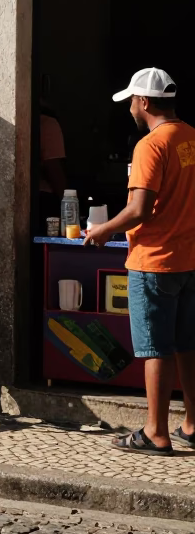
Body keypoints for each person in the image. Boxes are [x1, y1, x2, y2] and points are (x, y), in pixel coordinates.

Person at [85, 67, 195, 455]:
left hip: (154, 261)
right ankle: (192, 424)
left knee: (154, 348)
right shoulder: (190, 137)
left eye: (132, 100)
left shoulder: (150, 145)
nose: (130, 107)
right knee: (186, 344)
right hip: (188, 259)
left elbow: (139, 209)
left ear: (144, 102)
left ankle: (155, 432)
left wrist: (103, 230)